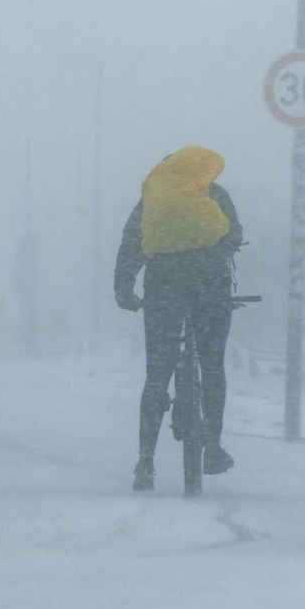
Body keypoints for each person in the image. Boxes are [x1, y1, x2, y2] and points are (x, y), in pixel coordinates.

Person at [113, 145, 244, 491]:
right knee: (212, 365)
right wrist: (212, 259)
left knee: (157, 374)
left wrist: (124, 290)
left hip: (163, 289)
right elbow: (233, 234)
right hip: (210, 287)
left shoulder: (152, 200)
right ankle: (212, 445)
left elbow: (131, 244)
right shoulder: (215, 194)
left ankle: (145, 461)